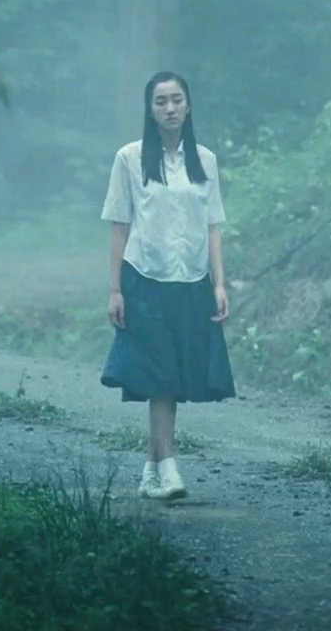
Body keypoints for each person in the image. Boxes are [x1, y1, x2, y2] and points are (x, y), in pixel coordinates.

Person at [99, 70, 236, 500]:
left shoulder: (205, 161)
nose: (170, 108)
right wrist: (115, 289)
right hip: (144, 278)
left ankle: (150, 471)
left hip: (190, 281)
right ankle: (170, 470)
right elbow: (119, 226)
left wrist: (219, 283)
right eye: (161, 101)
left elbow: (213, 226)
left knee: (174, 374)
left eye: (177, 99)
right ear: (150, 109)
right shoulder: (129, 158)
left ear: (189, 105)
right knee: (161, 377)